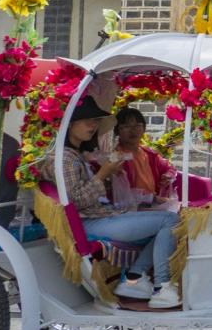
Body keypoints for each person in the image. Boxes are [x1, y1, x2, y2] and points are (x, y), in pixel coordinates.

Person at [39, 96, 180, 308]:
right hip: (90, 223)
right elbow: (74, 202)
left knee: (170, 221)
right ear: (70, 123)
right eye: (87, 120)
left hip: (102, 215)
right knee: (169, 220)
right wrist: (102, 175)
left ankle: (133, 279)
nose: (93, 125)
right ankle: (161, 286)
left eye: (95, 121)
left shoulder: (77, 155)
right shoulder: (64, 158)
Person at [112, 108, 176, 208]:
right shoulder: (115, 157)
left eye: (137, 126)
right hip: (130, 209)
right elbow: (119, 193)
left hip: (152, 204)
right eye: (126, 126)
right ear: (117, 131)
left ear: (144, 129)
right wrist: (153, 198)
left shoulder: (149, 154)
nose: (133, 130)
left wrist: (168, 175)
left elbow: (169, 167)